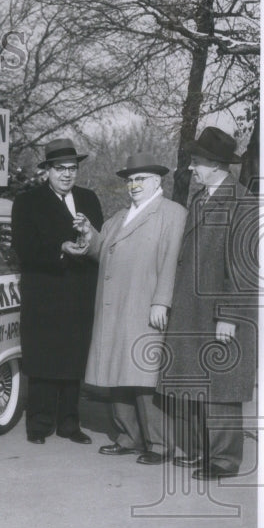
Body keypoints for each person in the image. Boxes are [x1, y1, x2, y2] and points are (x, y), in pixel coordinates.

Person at [71, 152, 186, 464]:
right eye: (130, 180)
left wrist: (161, 301)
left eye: (141, 179)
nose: (134, 185)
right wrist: (88, 235)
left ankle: (159, 445)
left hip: (144, 303)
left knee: (144, 377)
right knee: (117, 372)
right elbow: (101, 251)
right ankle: (128, 437)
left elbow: (171, 261)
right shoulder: (120, 217)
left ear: (157, 181)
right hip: (114, 305)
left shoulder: (172, 214)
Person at [158, 127, 257, 480]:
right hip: (195, 308)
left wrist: (229, 315)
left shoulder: (243, 202)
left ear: (215, 164)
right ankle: (206, 452)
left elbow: (245, 268)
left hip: (222, 311)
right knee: (201, 382)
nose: (192, 168)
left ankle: (225, 460)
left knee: (222, 388)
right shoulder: (201, 199)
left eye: (197, 161)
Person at [11, 138, 103, 444]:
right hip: (45, 294)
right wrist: (60, 248)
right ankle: (39, 424)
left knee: (74, 359)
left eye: (72, 168)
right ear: (47, 171)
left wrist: (88, 238)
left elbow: (100, 244)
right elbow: (24, 249)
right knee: (44, 360)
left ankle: (69, 424)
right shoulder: (27, 202)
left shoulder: (89, 199)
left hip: (80, 293)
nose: (67, 174)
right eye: (60, 168)